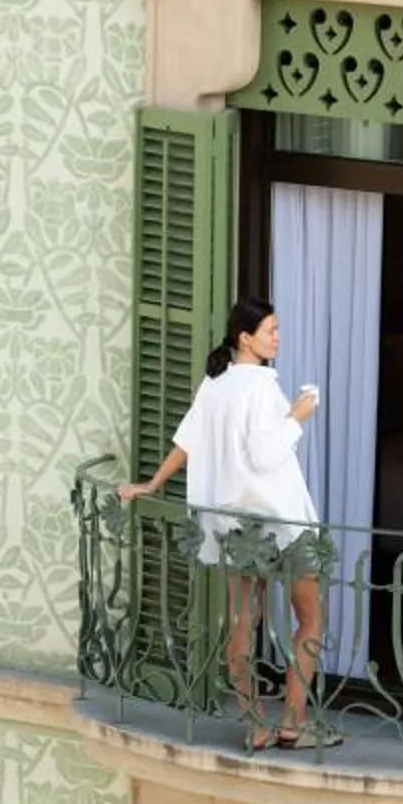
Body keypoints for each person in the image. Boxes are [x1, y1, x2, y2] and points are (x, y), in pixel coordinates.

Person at [119, 297, 325, 748]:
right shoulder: (261, 389)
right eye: (271, 330)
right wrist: (297, 416)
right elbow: (267, 454)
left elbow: (187, 442)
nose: (278, 337)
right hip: (284, 522)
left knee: (241, 622)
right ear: (245, 338)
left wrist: (152, 484)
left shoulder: (214, 385)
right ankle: (293, 722)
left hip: (236, 527)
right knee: (310, 620)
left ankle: (255, 726)